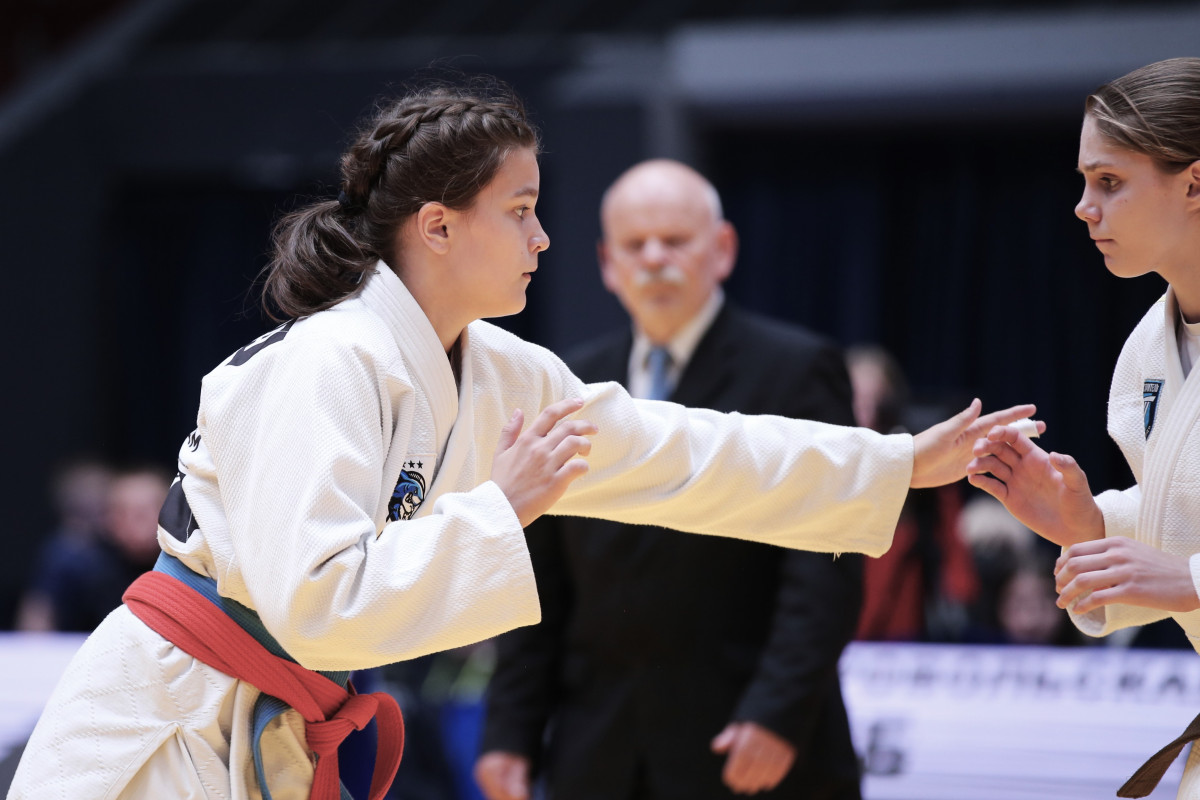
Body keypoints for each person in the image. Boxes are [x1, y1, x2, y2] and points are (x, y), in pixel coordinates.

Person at [10, 77, 1036, 800]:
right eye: (522, 209)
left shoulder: (501, 371)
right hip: (167, 725)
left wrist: (895, 463)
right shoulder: (331, 360)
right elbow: (319, 607)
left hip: (266, 717)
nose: (544, 237)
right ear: (438, 225)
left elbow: (689, 457)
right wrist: (502, 508)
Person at [475, 159, 864, 800]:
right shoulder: (569, 383)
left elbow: (826, 564)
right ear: (607, 263)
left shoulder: (796, 371)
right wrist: (509, 732)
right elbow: (537, 576)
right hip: (601, 751)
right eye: (635, 244)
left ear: (723, 249)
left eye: (675, 240)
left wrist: (777, 712)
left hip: (750, 743)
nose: (654, 258)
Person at [966, 57, 1200, 797]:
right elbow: (1182, 515)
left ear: (1195, 184)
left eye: (1109, 181)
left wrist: (1194, 580)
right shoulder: (1149, 350)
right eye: (1084, 181)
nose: (1082, 207)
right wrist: (1090, 524)